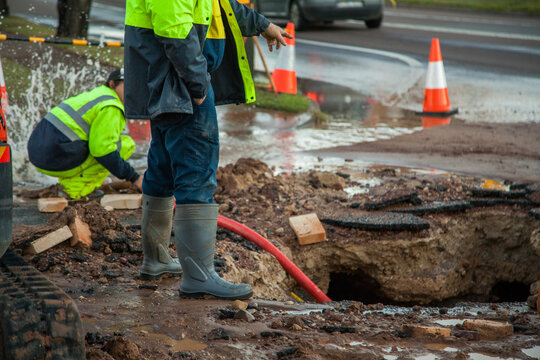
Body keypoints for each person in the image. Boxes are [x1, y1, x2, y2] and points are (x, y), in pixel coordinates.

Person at [124, 0, 291, 299]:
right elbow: (175, 31)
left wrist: (263, 25)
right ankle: (199, 277)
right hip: (181, 82)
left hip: (170, 81)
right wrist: (199, 85)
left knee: (162, 169)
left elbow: (222, 7)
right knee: (197, 170)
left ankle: (157, 258)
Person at [27, 69, 143, 200]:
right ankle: (75, 191)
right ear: (112, 84)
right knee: (125, 144)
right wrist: (134, 177)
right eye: (127, 85)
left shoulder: (98, 95)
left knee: (101, 144)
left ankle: (81, 183)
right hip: (56, 156)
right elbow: (103, 151)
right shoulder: (111, 106)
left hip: (39, 153)